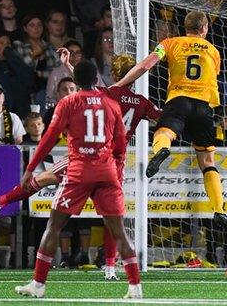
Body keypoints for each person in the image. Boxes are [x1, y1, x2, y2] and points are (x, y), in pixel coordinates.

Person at [0, 54, 161, 280]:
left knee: (43, 183)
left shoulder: (108, 95)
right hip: (114, 165)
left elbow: (86, 84)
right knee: (113, 219)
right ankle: (113, 269)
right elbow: (159, 118)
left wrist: (67, 64)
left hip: (87, 158)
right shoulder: (141, 102)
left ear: (114, 74)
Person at [12, 60, 141, 298]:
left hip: (79, 171)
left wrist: (31, 168)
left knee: (53, 227)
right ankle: (135, 287)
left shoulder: (69, 102)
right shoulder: (112, 104)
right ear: (96, 80)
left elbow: (50, 137)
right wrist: (115, 168)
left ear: (76, 81)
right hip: (106, 171)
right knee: (120, 232)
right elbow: (121, 144)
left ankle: (38, 285)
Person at [113, 10, 227, 229]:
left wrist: (120, 84)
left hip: (178, 100)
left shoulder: (168, 43)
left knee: (163, 133)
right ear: (204, 29)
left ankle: (162, 149)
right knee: (208, 162)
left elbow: (145, 66)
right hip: (203, 108)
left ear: (184, 28)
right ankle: (219, 209)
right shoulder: (214, 51)